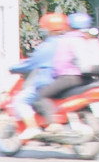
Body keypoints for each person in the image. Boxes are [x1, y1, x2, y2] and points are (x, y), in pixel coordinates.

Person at [8, 12, 72, 140]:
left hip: (48, 81)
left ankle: (32, 127)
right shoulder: (71, 42)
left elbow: (31, 64)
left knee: (21, 100)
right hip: (70, 81)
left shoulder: (47, 46)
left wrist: (13, 68)